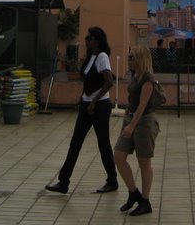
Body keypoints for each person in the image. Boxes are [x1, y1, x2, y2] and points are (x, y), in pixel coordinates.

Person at [45, 26, 118, 195]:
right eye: (86, 38)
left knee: (103, 143)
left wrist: (93, 101)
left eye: (89, 38)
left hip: (99, 106)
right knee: (75, 143)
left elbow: (108, 82)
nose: (86, 40)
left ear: (97, 41)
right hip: (87, 104)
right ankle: (63, 182)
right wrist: (83, 97)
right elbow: (89, 81)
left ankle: (112, 180)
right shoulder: (90, 57)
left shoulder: (102, 57)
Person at [114, 44, 160, 217]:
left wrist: (132, 125)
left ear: (140, 59)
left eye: (132, 57)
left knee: (144, 163)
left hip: (144, 123)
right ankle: (134, 193)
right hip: (130, 118)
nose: (128, 59)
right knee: (119, 156)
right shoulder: (135, 75)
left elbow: (142, 105)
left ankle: (145, 201)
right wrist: (127, 118)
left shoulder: (147, 78)